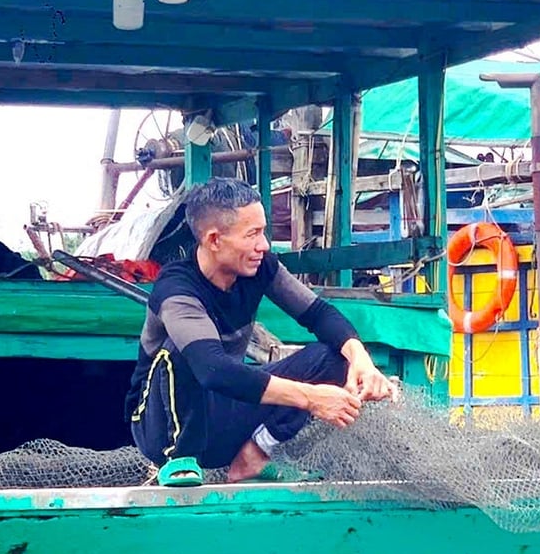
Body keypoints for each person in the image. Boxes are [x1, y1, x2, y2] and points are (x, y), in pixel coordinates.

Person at [123, 177, 396, 487]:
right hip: (160, 428)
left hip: (224, 418)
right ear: (214, 240)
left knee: (332, 357)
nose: (263, 245)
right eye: (252, 234)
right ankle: (181, 458)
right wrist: (312, 398)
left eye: (263, 232)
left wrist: (361, 359)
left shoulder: (260, 267)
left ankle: (254, 454)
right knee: (184, 351)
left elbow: (319, 314)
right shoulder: (176, 290)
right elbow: (214, 371)